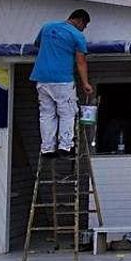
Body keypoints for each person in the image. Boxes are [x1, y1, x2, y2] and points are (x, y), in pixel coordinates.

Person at [31, 9, 93, 158]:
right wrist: (85, 83)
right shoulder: (77, 36)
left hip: (42, 78)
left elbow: (38, 45)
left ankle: (47, 148)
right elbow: (81, 62)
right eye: (84, 25)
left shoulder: (47, 27)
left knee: (46, 114)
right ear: (79, 21)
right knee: (67, 113)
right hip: (62, 79)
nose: (83, 29)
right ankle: (65, 146)